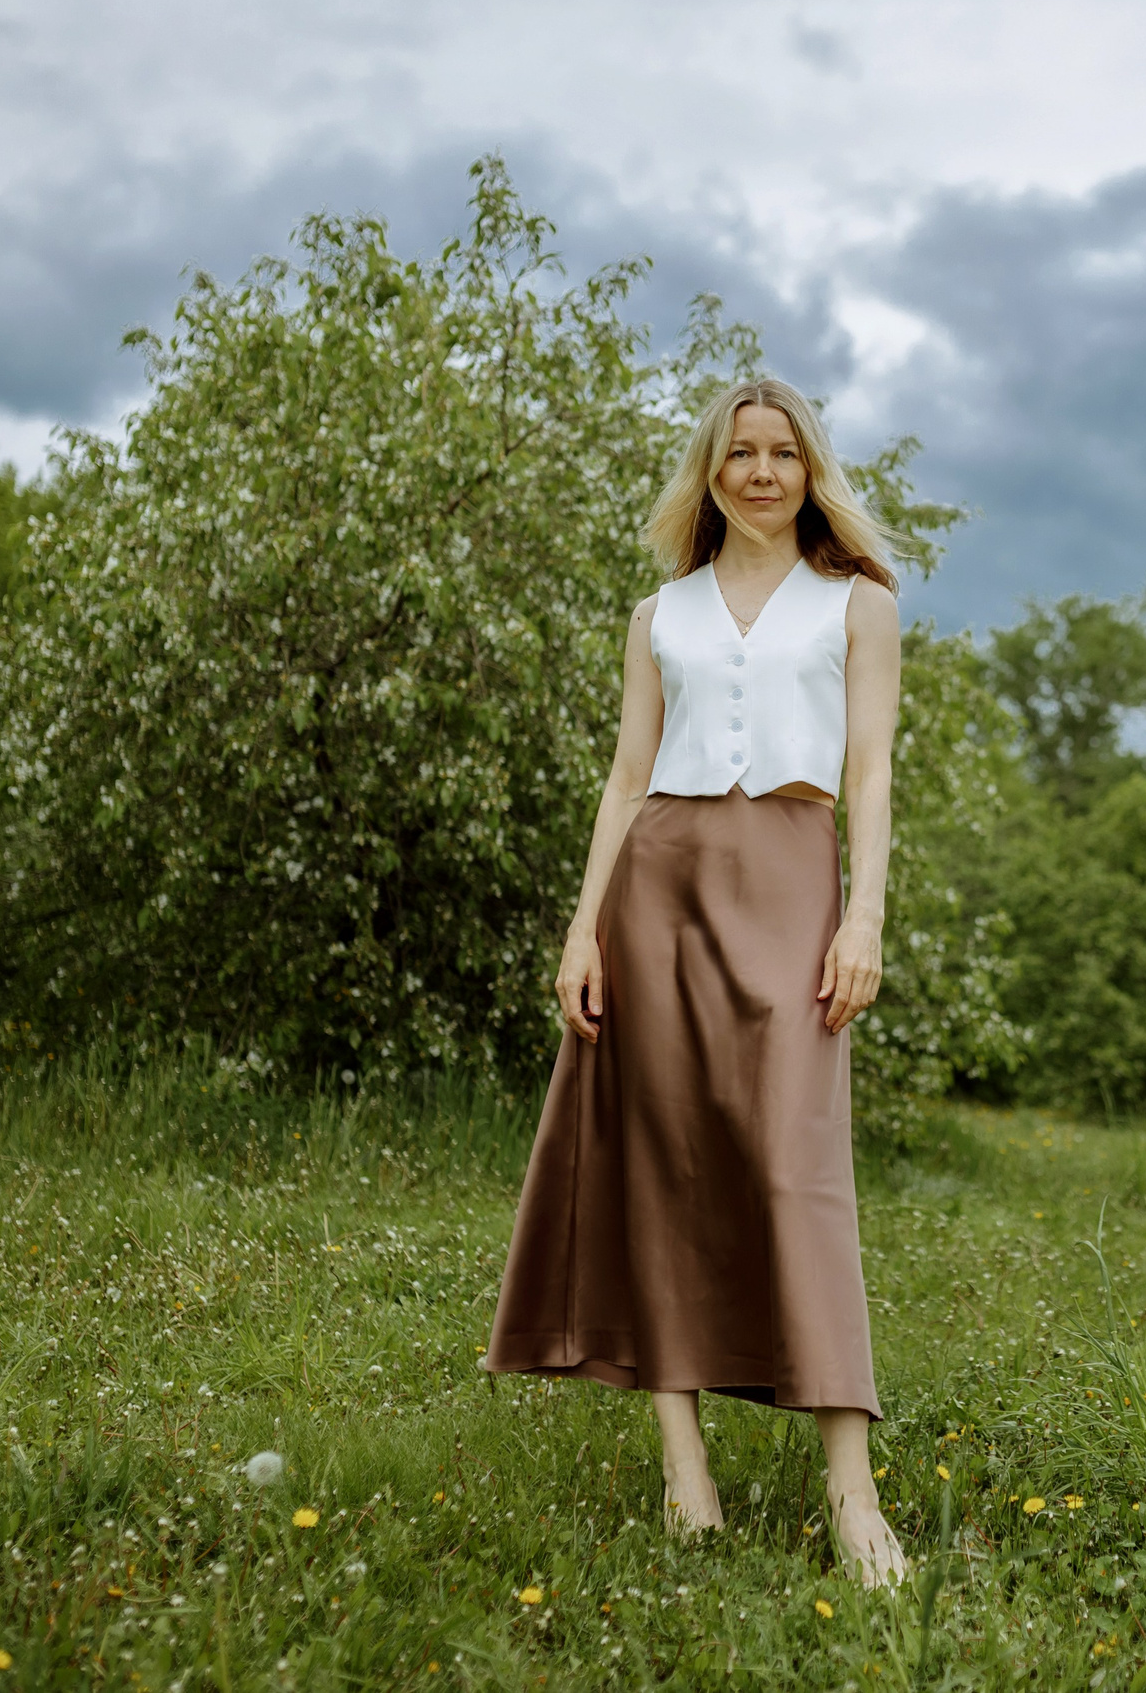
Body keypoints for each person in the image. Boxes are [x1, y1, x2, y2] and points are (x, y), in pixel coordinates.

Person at [482, 378, 909, 1588]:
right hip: (656, 883)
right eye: (741, 453)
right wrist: (582, 929)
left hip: (788, 879)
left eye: (783, 453)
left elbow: (869, 770)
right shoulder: (658, 611)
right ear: (710, 470)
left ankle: (851, 1488)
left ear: (809, 469)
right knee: (660, 1160)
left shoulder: (857, 605)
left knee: (793, 1166)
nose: (762, 472)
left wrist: (863, 912)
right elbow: (625, 777)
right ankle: (686, 1477)